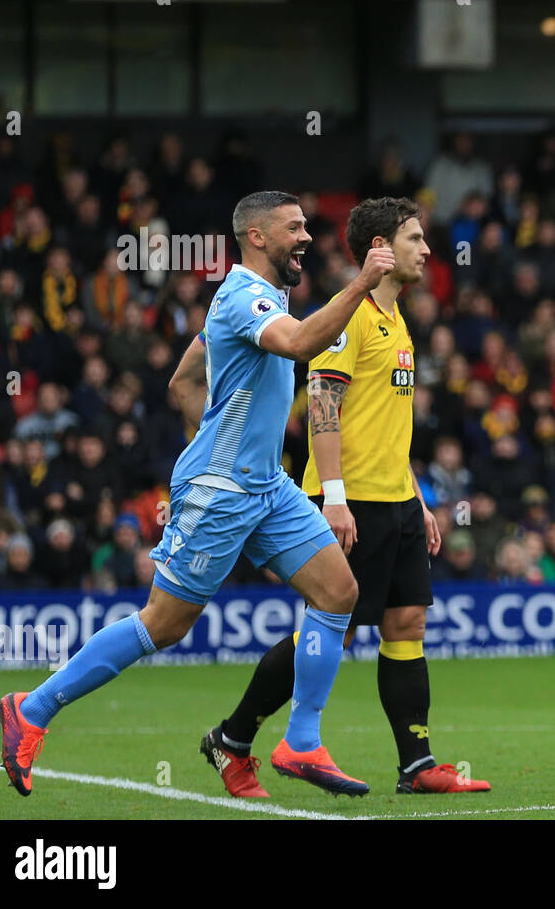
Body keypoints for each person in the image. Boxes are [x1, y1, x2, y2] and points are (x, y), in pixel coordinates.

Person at [0, 191, 390, 797]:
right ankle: (32, 708)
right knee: (164, 623)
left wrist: (218, 434)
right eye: (294, 227)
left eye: (307, 226)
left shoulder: (256, 299)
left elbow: (183, 381)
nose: (307, 236)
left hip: (266, 485)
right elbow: (301, 344)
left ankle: (301, 742)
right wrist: (362, 282)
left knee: (339, 592)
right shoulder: (243, 296)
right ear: (256, 237)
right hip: (223, 491)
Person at [201, 197, 490, 797]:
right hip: (349, 500)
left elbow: (386, 422)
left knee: (406, 623)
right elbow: (323, 412)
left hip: (395, 500)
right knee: (338, 627)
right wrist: (334, 498)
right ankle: (237, 736)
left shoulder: (398, 320)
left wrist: (417, 496)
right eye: (414, 239)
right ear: (380, 247)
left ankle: (417, 763)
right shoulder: (350, 316)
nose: (427, 250)